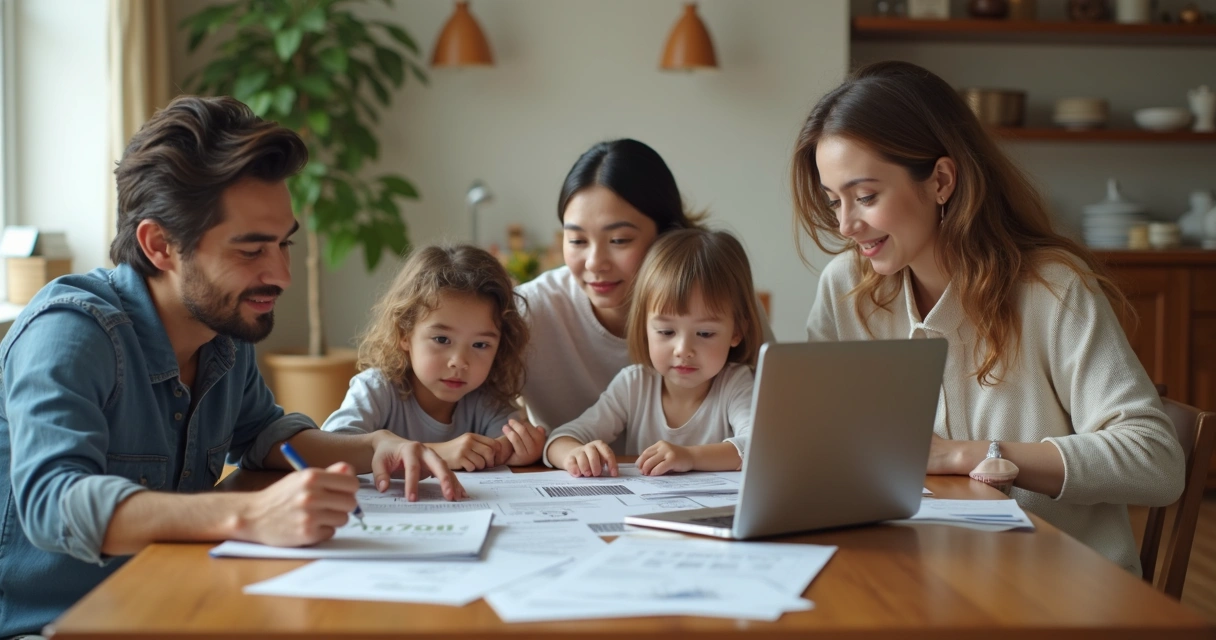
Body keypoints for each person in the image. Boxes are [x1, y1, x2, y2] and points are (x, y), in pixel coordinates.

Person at [0, 96, 461, 639]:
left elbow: (264, 433)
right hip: (55, 625)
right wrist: (248, 516)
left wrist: (375, 444)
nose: (282, 275)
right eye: (251, 251)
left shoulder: (222, 327)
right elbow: (54, 503)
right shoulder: (70, 334)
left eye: (284, 244)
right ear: (159, 245)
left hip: (172, 601)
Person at [793, 61, 1184, 575]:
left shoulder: (1051, 288)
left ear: (941, 180)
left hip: (1062, 589)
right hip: (923, 568)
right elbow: (822, 439)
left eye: (865, 197)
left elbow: (1155, 461)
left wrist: (972, 454)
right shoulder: (846, 289)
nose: (846, 224)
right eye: (833, 201)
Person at [544, 228, 763, 478]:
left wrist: (689, 456)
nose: (683, 350)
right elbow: (560, 440)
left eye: (704, 334)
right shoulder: (634, 384)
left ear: (737, 332)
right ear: (644, 328)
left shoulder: (736, 384)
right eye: (666, 332)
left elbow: (758, 447)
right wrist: (575, 453)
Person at [321, 244, 548, 470]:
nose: (459, 361)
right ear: (404, 333)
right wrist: (437, 453)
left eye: (480, 344)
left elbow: (507, 443)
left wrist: (518, 449)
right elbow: (330, 449)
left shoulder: (487, 401)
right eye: (441, 340)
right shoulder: (376, 389)